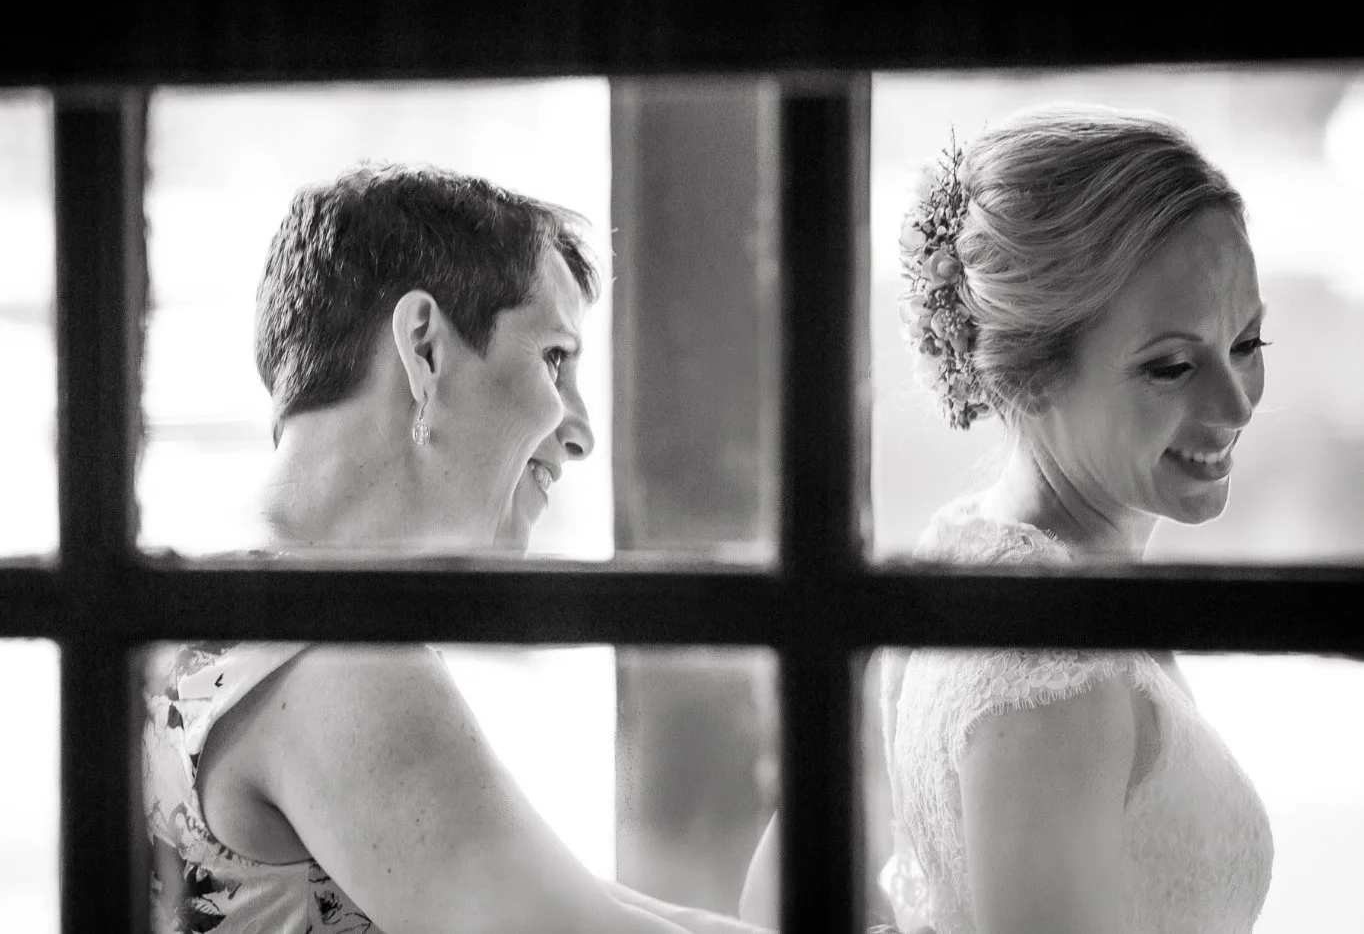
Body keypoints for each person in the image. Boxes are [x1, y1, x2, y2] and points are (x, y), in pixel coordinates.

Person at [142, 162, 772, 934]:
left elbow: (587, 905)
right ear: (425, 349)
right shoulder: (330, 652)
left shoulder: (210, 599)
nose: (579, 432)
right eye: (553, 358)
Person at [876, 106, 1275, 933]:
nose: (1236, 404)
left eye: (1248, 342)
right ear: (1027, 378)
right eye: (1172, 365)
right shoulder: (1055, 682)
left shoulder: (958, 553)